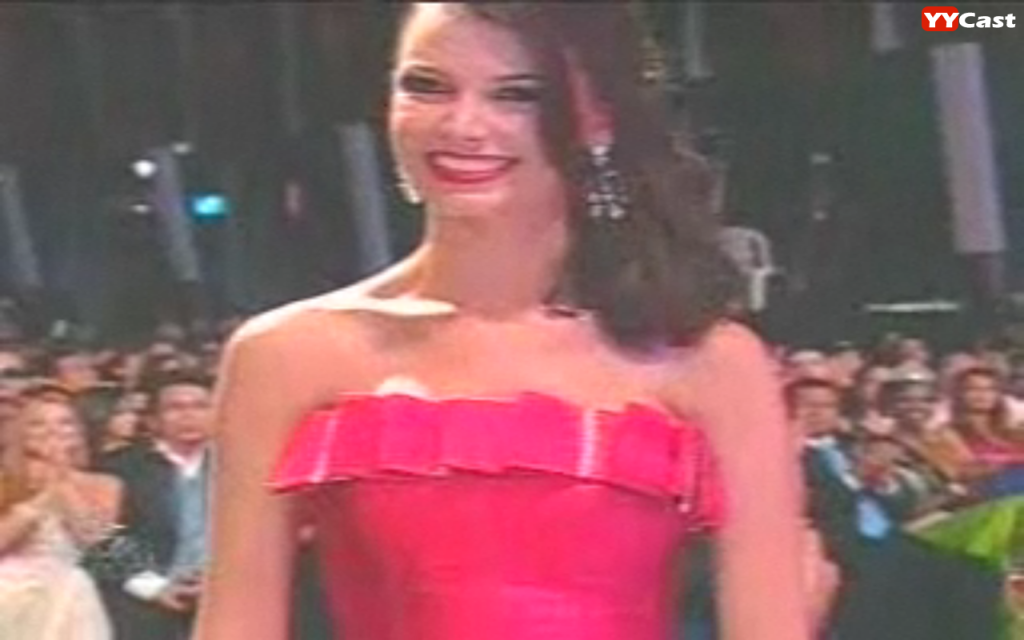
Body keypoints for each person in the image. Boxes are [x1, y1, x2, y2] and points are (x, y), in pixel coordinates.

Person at [195, 4, 815, 640]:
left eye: (515, 95)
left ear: (599, 118)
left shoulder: (711, 363)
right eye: (427, 86)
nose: (462, 125)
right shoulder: (285, 357)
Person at [100, 372, 214, 640]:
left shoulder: (242, 464)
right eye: (175, 408)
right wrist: (155, 588)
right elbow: (103, 537)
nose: (189, 416)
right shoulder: (121, 468)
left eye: (200, 406)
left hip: (229, 598)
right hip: (145, 604)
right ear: (153, 420)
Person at [0, 396, 122, 640]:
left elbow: (95, 542)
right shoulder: (5, 482)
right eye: (38, 423)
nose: (52, 430)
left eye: (64, 422)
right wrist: (44, 496)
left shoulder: (105, 484)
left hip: (67, 596)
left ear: (78, 433)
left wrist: (61, 475)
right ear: (21, 432)